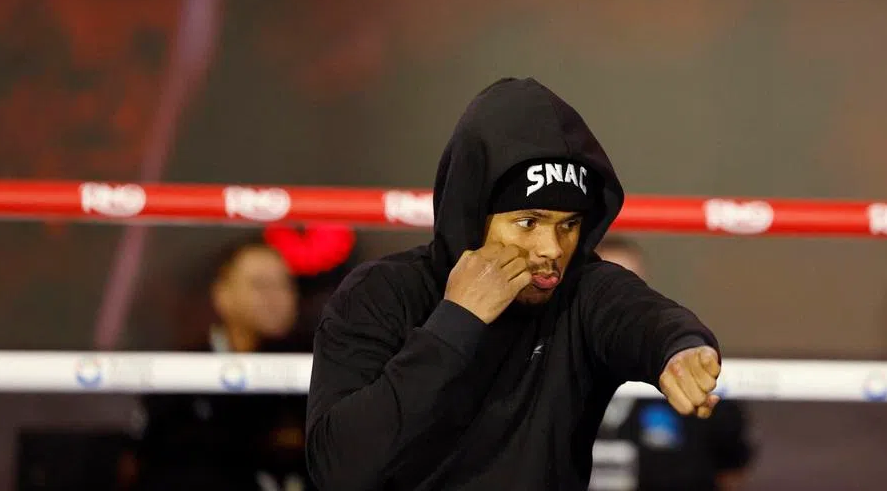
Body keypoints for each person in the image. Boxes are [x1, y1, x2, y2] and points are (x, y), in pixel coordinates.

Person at [306, 77, 722, 490]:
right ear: (471, 217)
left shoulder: (581, 292)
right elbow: (339, 470)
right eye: (528, 222)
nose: (551, 249)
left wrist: (680, 346)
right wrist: (455, 324)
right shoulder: (381, 294)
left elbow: (641, 316)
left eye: (569, 225)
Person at [135, 240, 311, 490]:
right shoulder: (182, 374)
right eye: (260, 285)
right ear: (222, 295)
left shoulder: (312, 369)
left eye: (285, 285)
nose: (277, 297)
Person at [594, 236, 755, 491]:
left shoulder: (689, 368)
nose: (618, 304)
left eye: (629, 289)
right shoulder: (548, 370)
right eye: (602, 290)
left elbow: (730, 470)